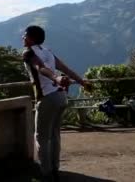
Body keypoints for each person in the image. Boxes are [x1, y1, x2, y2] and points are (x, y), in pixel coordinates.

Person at [22, 25, 90, 181]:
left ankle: (46, 173)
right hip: (60, 97)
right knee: (54, 135)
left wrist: (56, 78)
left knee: (41, 137)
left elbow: (40, 68)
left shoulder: (28, 53)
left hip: (47, 97)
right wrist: (82, 82)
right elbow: (65, 68)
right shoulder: (48, 51)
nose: (23, 38)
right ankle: (55, 169)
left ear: (32, 38)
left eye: (25, 35)